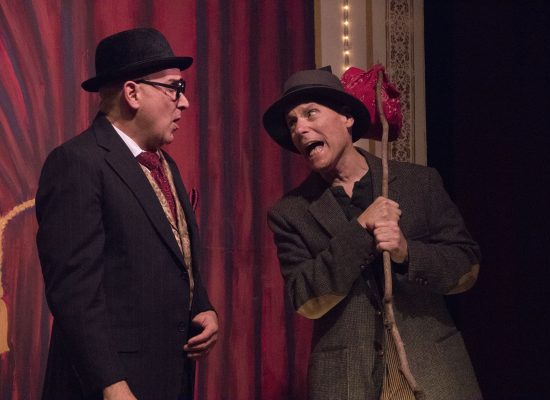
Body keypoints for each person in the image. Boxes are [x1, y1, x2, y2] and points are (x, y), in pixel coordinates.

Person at [262, 68, 482, 400]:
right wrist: (360, 231)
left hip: (432, 369)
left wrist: (407, 253)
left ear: (347, 118)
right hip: (347, 379)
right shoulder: (290, 213)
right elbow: (305, 299)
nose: (300, 128)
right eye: (292, 122)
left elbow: (466, 267)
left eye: (310, 113)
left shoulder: (419, 183)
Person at [36, 28, 218, 400]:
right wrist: (111, 384)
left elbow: (172, 255)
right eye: (174, 88)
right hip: (112, 386)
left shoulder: (165, 165)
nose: (184, 103)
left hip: (169, 377)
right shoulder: (77, 163)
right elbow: (74, 292)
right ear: (133, 93)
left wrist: (202, 306)